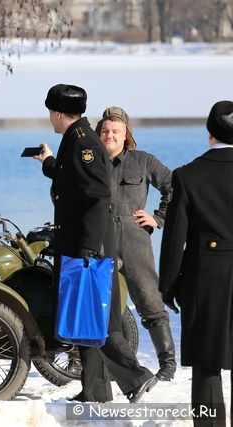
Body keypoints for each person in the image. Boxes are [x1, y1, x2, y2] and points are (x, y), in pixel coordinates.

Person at [33, 84, 157, 403]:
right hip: (82, 243)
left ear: (58, 113)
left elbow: (97, 197)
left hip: (88, 246)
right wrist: (47, 162)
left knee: (97, 318)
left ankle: (136, 377)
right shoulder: (75, 140)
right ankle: (95, 391)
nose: (50, 118)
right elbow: (71, 182)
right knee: (87, 319)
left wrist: (88, 247)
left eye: (50, 112)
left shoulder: (82, 143)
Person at [159, 100, 233, 427]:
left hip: (206, 279)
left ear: (209, 134)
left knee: (207, 365)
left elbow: (174, 240)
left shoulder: (186, 176)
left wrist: (168, 286)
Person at [95, 106, 177, 381]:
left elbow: (174, 187)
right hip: (99, 240)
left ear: (126, 134)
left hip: (134, 239)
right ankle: (103, 367)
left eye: (115, 131)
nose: (109, 135)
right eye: (105, 131)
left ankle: (167, 363)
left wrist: (158, 218)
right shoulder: (90, 161)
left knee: (149, 299)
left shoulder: (144, 161)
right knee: (99, 304)